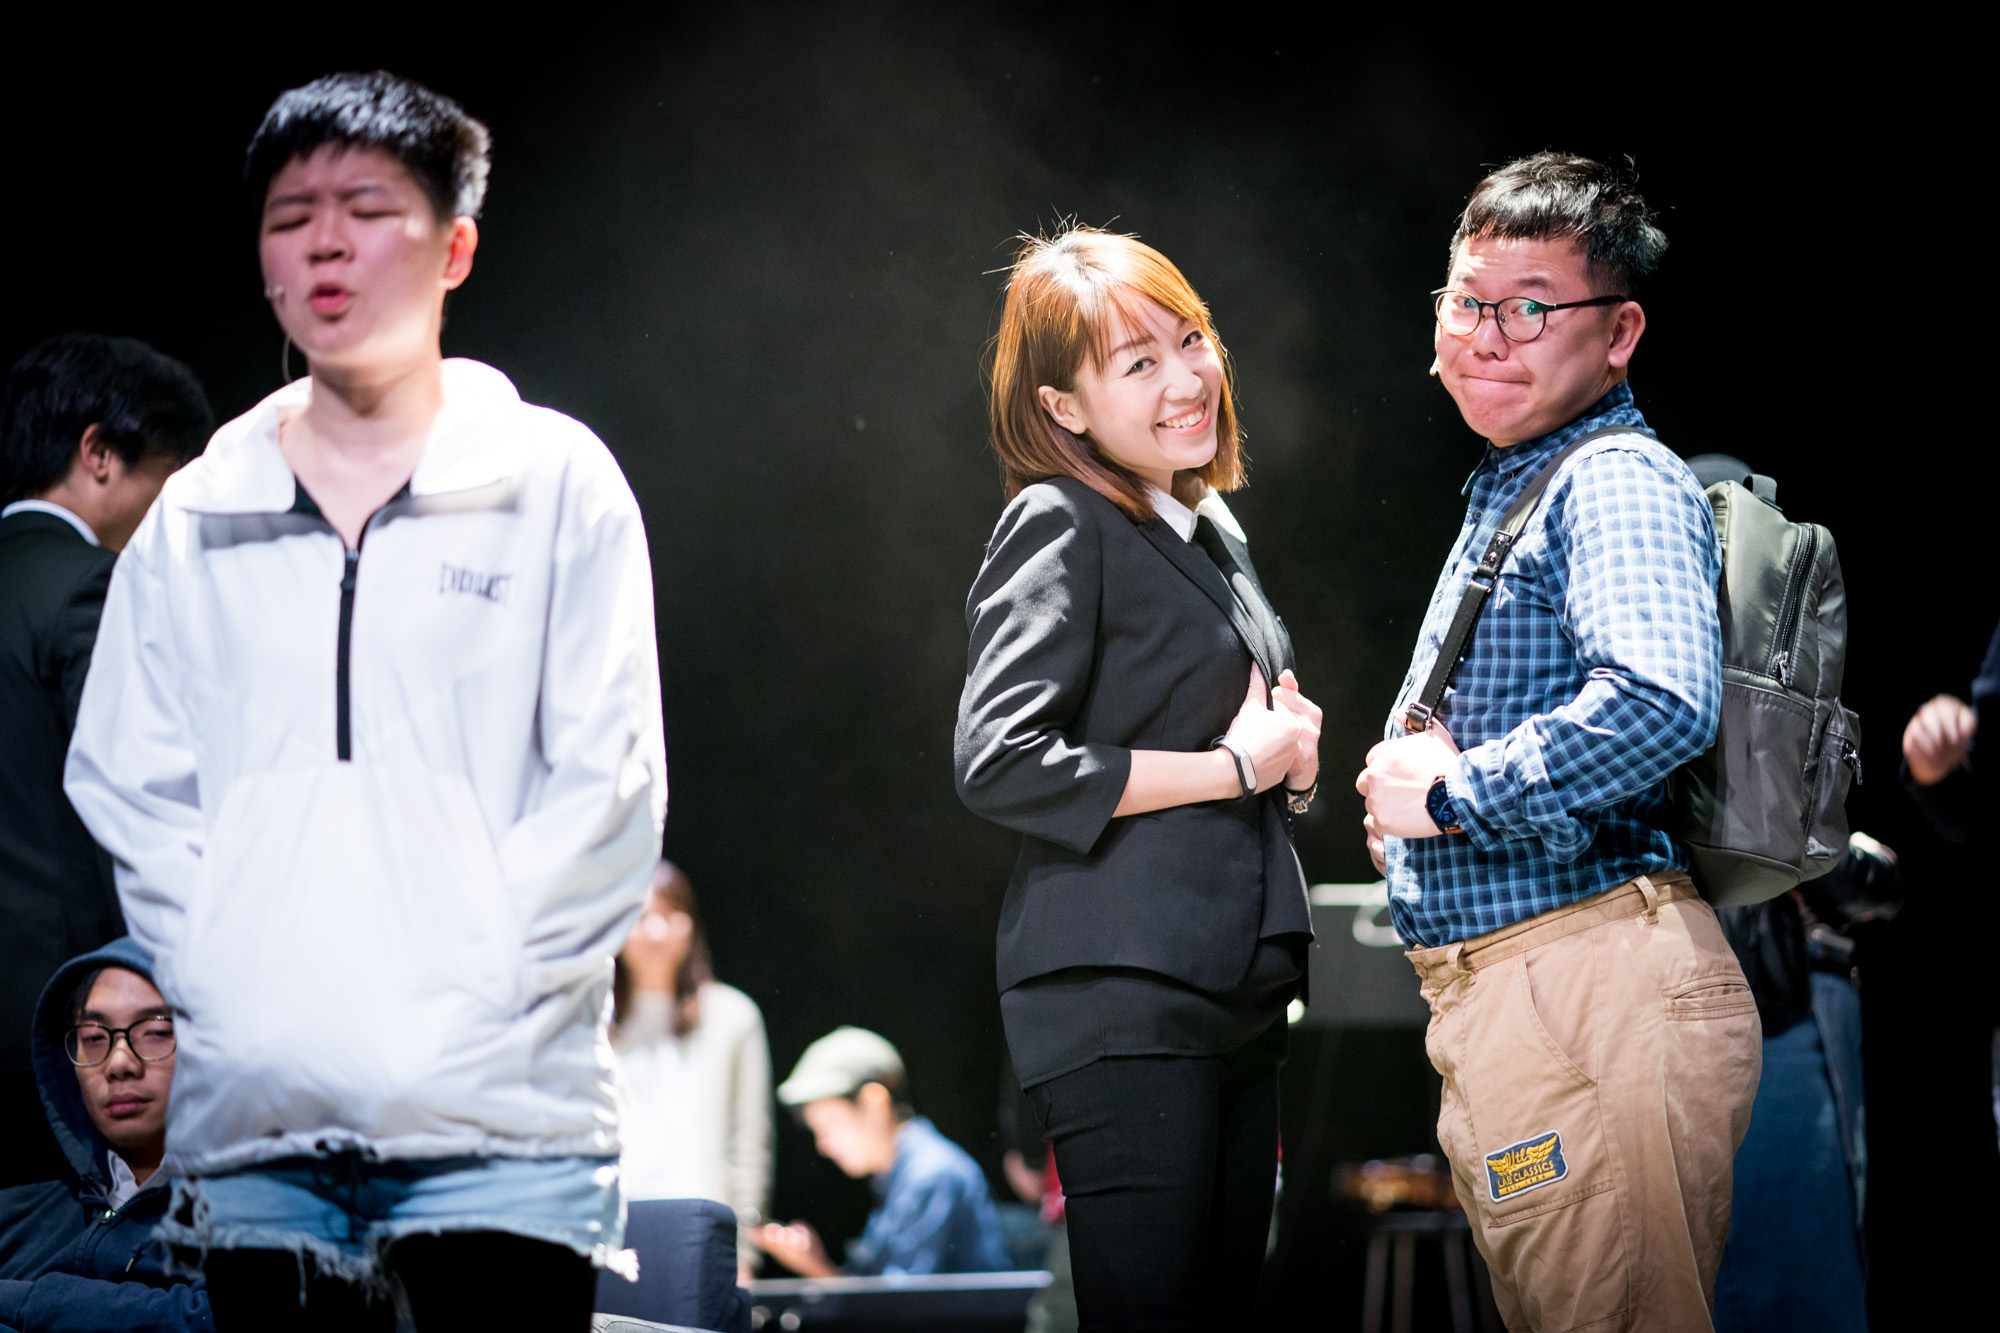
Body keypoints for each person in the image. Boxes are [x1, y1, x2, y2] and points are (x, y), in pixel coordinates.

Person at [60, 71, 666, 1331]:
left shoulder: (554, 482)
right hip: (262, 1136)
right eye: (292, 217)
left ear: (455, 248)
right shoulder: (199, 514)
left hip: (501, 1127)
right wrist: (242, 991)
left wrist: (459, 1003)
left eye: (368, 209)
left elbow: (606, 791)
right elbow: (130, 782)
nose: (325, 243)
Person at [1354, 153, 1760, 1332]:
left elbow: (1658, 700)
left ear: (1617, 331)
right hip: (1541, 991)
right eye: (1465, 300)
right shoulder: (1520, 479)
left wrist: (1452, 796)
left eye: (1528, 306)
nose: (1485, 335)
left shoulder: (1611, 477)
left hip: (1583, 985)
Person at [953, 225, 1320, 1331]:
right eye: (1138, 362)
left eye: (1191, 339)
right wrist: (1228, 767)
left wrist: (1288, 764)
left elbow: (1243, 746)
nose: (1186, 378)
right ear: (1063, 406)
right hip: (1123, 989)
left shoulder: (1208, 531)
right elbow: (999, 757)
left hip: (1231, 989)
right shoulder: (1057, 517)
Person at [0, 334, 211, 1190]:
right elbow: (127, 800)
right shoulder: (93, 584)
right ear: (99, 453)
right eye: (167, 478)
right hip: (56, 1029)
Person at [0, 937, 211, 1331]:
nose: (119, 1062)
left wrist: (31, 1303)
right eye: (94, 1038)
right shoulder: (16, 1215)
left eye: (156, 1031)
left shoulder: (273, 1212)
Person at [612, 861, 772, 1285]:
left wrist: (743, 1254)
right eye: (641, 917)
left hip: (699, 1238)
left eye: (670, 915)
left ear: (691, 926)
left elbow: (748, 1145)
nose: (656, 931)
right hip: (612, 1239)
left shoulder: (733, 1017)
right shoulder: (592, 1020)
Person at [755, 1026, 1009, 1278]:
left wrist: (819, 1271)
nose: (823, 1145)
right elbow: (881, 1296)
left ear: (874, 1102)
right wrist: (813, 1265)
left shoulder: (931, 1176)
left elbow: (902, 1302)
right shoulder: (898, 1176)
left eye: (830, 1124)